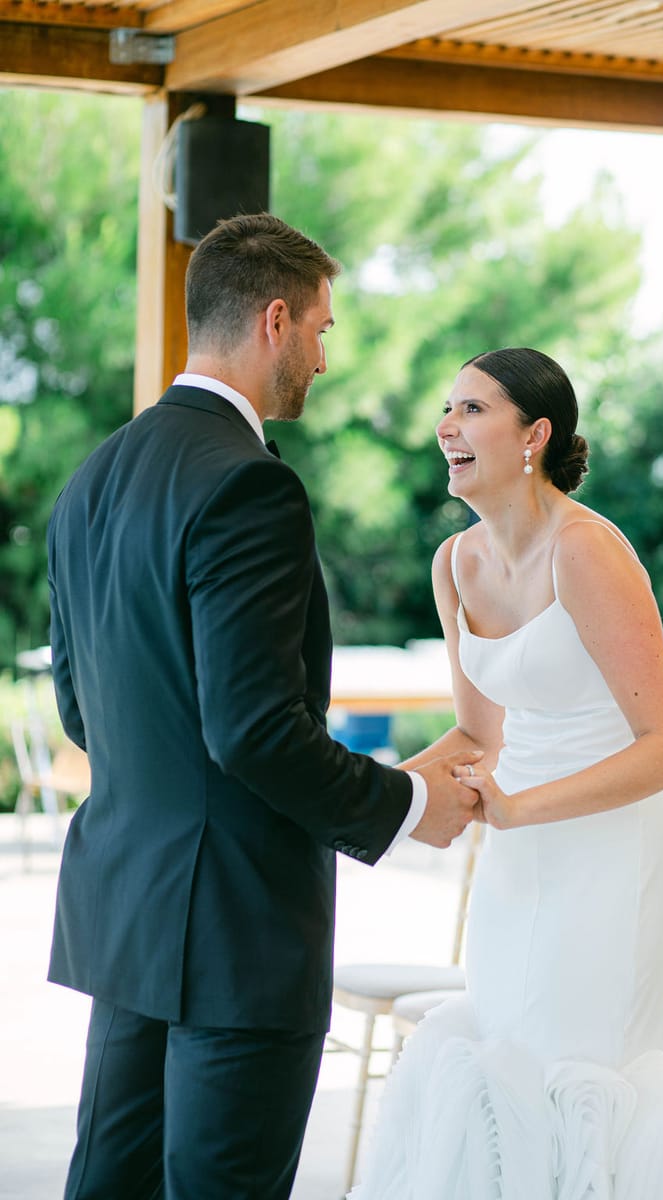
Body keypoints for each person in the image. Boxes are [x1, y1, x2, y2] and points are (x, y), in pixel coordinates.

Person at [46, 212, 480, 1200]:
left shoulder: (92, 479)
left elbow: (83, 710)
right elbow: (253, 730)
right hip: (238, 930)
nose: (323, 359)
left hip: (129, 914)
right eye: (321, 330)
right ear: (274, 320)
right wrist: (410, 806)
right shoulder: (248, 485)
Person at [351, 347, 663, 1198]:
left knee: (584, 1068)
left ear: (534, 434)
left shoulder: (587, 551)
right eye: (447, 408)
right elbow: (478, 733)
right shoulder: (455, 564)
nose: (447, 426)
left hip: (606, 857)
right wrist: (359, 796)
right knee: (509, 1057)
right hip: (516, 860)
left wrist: (521, 808)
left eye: (473, 409)